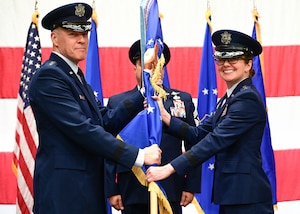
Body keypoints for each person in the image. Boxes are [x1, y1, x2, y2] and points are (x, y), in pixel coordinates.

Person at [28, 3, 162, 214]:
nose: (82, 39)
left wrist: (142, 94)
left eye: (84, 33)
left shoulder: (74, 76)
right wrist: (138, 156)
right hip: (65, 193)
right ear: (54, 38)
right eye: (73, 34)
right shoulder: (50, 77)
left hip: (85, 190)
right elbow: (83, 130)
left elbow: (103, 121)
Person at [146, 29, 274, 214]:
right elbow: (197, 134)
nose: (226, 64)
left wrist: (169, 168)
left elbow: (214, 141)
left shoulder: (247, 100)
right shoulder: (229, 98)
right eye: (221, 59)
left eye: (233, 59)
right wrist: (166, 117)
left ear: (248, 64)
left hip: (247, 198)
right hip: (233, 194)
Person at [105, 40, 201, 214]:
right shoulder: (118, 102)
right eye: (146, 65)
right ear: (135, 67)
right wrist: (112, 188)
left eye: (157, 65)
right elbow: (109, 147)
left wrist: (191, 184)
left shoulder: (182, 99)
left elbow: (194, 144)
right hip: (132, 187)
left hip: (171, 186)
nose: (153, 70)